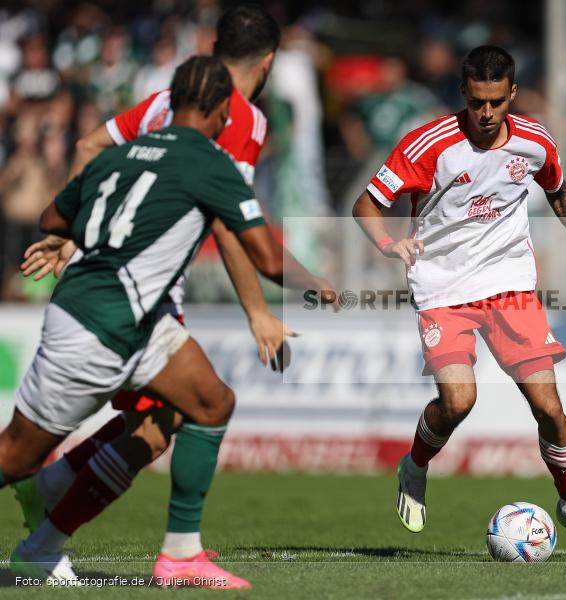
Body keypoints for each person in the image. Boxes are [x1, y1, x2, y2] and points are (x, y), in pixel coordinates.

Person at [0, 55, 329, 585]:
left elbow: (51, 218)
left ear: (170, 102)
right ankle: (46, 524)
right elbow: (266, 257)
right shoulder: (211, 162)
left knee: (210, 402)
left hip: (132, 319)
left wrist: (72, 237)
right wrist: (321, 286)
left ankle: (179, 555)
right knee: (15, 459)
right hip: (95, 327)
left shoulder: (121, 154)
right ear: (224, 110)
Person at [352, 46, 566, 558]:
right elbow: (366, 203)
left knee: (549, 409)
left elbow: (561, 194)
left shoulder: (535, 141)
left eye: (496, 101)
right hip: (441, 286)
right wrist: (390, 244)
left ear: (512, 94)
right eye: (477, 102)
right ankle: (415, 465)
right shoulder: (428, 144)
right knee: (459, 401)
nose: (487, 113)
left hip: (508, 283)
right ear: (464, 95)